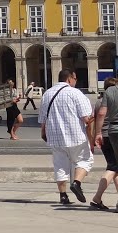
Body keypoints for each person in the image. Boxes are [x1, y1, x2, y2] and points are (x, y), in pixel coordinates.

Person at [39, 68, 94, 205]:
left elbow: (43, 119)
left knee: (60, 166)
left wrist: (43, 133)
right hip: (75, 136)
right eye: (75, 79)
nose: (75, 82)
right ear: (70, 78)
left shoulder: (47, 94)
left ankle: (63, 196)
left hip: (55, 138)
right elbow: (86, 119)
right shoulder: (76, 93)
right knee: (85, 160)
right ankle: (76, 183)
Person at [90, 76, 118, 210]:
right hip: (113, 132)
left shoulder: (106, 95)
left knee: (114, 167)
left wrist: (97, 133)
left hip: (109, 134)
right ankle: (97, 198)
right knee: (113, 167)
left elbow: (99, 115)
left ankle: (97, 198)